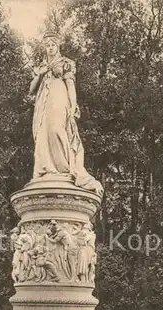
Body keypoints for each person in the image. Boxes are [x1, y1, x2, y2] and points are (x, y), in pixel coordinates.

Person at [29, 31, 103, 196]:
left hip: (59, 96)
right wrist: (40, 74)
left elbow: (70, 86)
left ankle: (65, 167)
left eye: (52, 45)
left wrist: (73, 104)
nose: (50, 48)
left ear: (57, 46)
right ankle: (47, 168)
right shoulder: (41, 66)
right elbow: (31, 89)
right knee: (43, 132)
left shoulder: (65, 63)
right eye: (47, 45)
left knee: (56, 129)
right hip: (43, 101)